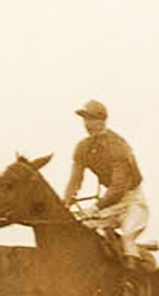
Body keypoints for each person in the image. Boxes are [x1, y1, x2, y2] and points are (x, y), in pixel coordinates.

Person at [63, 100, 149, 268]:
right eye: (84, 119)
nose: (86, 124)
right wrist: (65, 203)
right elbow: (75, 180)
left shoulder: (118, 146)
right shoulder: (82, 147)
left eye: (90, 119)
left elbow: (118, 188)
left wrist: (95, 208)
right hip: (110, 202)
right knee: (85, 228)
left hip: (132, 200)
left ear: (102, 120)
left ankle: (133, 275)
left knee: (127, 235)